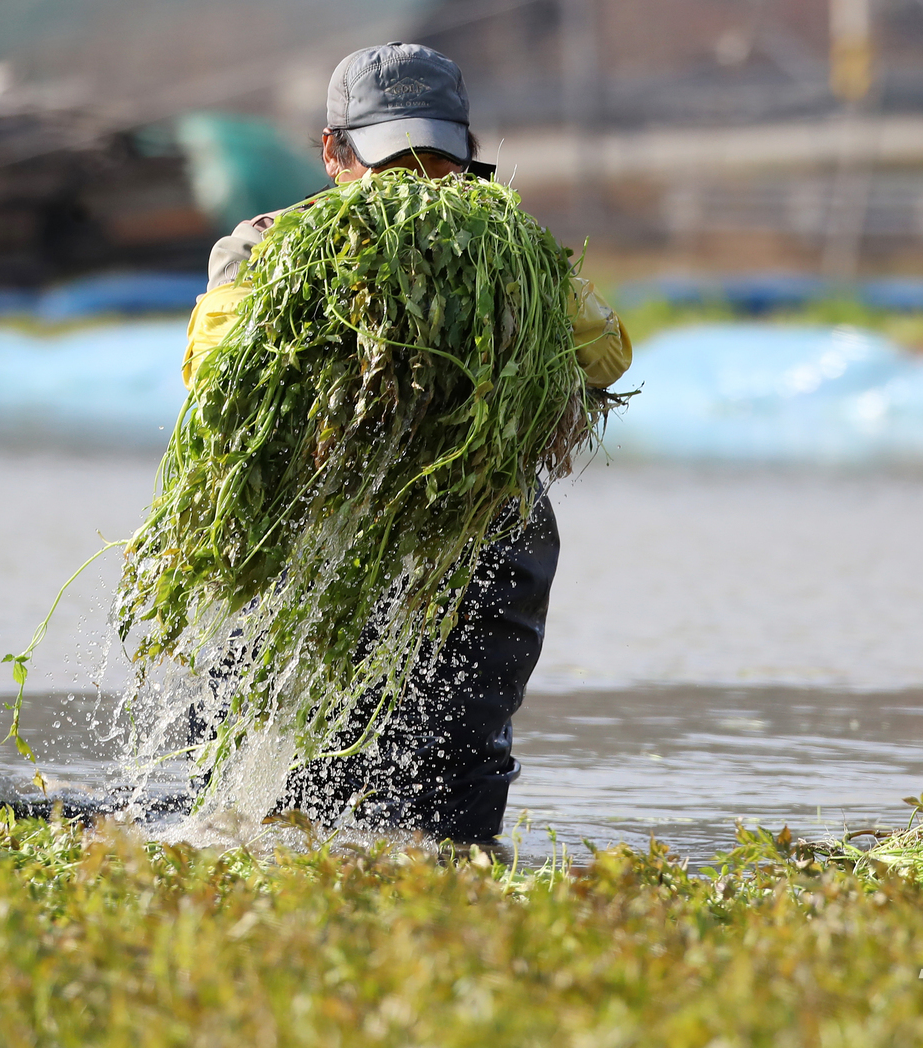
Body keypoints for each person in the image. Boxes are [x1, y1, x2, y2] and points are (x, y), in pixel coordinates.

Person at [179, 42, 631, 841]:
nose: (418, 183)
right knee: (271, 768)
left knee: (454, 779)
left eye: (434, 161)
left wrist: (525, 273)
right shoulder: (269, 248)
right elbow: (216, 375)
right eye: (394, 163)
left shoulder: (513, 255)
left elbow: (605, 358)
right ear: (333, 153)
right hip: (315, 539)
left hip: (481, 546)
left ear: (468, 156)